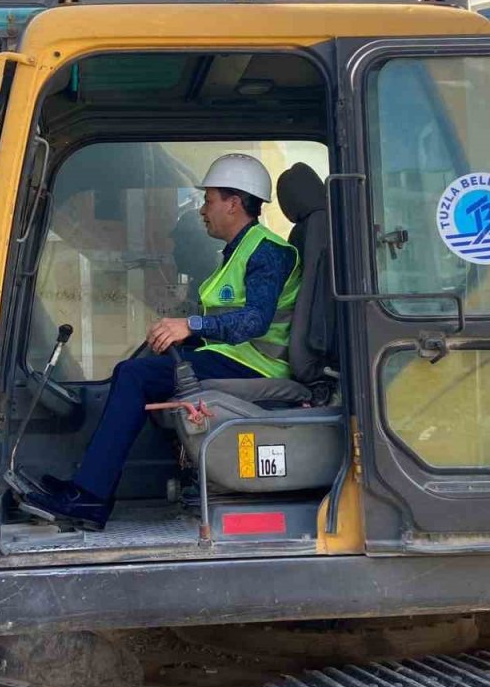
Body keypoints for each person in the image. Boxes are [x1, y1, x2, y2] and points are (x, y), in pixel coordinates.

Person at [19, 153, 302, 531]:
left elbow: (254, 320)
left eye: (209, 200)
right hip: (233, 357)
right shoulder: (240, 250)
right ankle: (90, 489)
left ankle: (90, 497)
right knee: (133, 372)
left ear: (234, 203)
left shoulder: (267, 252)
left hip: (255, 364)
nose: (203, 210)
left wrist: (191, 325)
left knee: (136, 377)